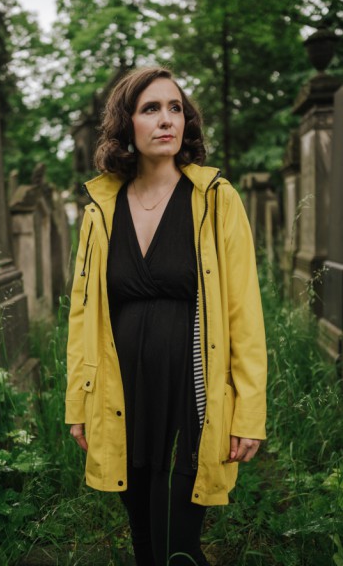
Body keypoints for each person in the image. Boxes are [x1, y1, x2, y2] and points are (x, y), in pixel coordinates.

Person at [65, 67, 267, 566]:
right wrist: (79, 403)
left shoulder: (216, 200)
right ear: (126, 124)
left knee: (178, 545)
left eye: (175, 108)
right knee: (144, 545)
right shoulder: (101, 208)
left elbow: (245, 312)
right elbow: (82, 312)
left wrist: (249, 412)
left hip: (191, 396)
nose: (166, 119)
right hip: (121, 396)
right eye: (150, 109)